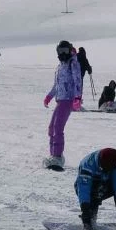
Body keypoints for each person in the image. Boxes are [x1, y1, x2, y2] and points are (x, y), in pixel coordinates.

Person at [43, 40, 82, 171]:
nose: (63, 54)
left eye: (65, 51)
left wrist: (77, 97)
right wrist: (49, 96)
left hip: (68, 99)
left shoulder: (73, 63)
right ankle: (53, 155)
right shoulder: (60, 66)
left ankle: (57, 156)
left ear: (70, 50)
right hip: (60, 99)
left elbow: (78, 81)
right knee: (51, 128)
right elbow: (57, 85)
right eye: (60, 51)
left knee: (57, 127)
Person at [75, 148, 116, 230]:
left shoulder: (115, 162)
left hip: (104, 183)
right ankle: (90, 218)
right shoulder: (88, 165)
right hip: (87, 187)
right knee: (96, 190)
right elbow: (84, 188)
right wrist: (85, 210)